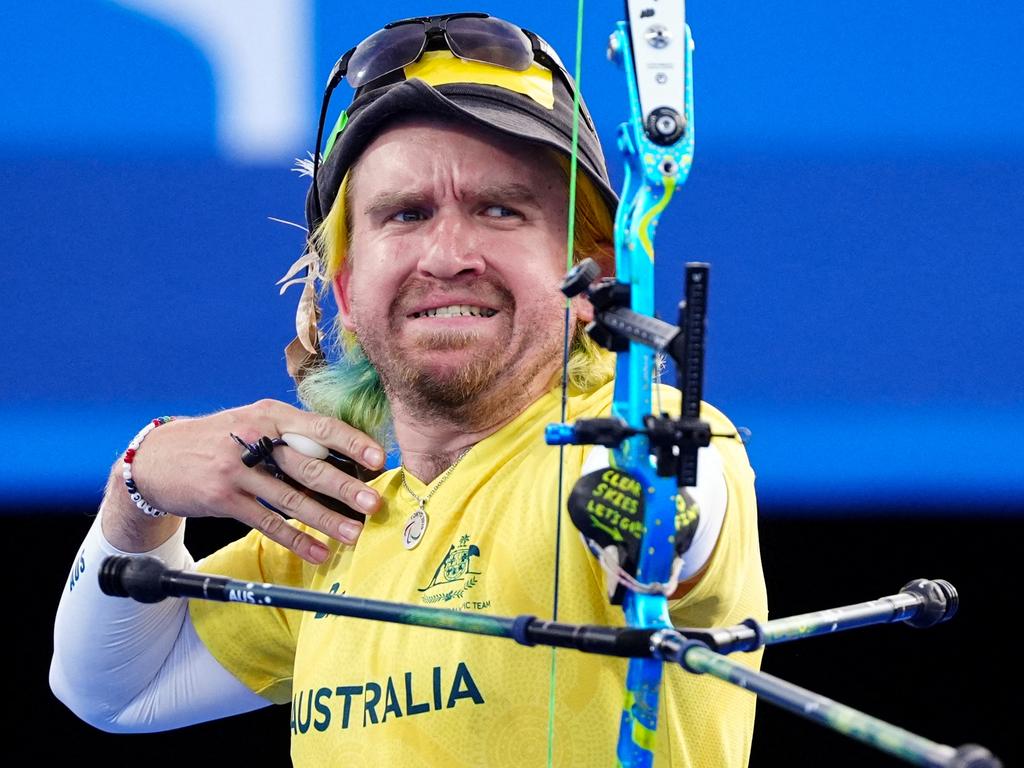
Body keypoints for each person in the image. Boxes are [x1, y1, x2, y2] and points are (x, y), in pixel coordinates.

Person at [51, 12, 767, 767]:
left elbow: (674, 510)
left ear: (589, 273)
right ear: (349, 290)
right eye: (407, 214)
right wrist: (137, 487)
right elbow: (114, 691)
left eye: (499, 209)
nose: (449, 255)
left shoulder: (638, 437)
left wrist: (650, 516)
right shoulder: (334, 530)